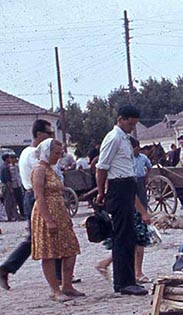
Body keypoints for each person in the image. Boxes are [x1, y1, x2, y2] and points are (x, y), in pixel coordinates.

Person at [95, 105, 149, 296]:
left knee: (128, 235)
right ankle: (124, 282)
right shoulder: (114, 138)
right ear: (121, 119)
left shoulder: (124, 139)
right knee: (122, 236)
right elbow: (101, 168)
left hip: (127, 186)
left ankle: (127, 279)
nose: (132, 127)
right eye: (130, 123)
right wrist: (101, 193)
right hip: (118, 187)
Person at [0, 119, 57, 290]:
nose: (51, 137)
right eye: (49, 133)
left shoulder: (26, 152)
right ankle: (60, 276)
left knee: (37, 237)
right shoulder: (35, 154)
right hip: (37, 196)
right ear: (39, 134)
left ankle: (8, 267)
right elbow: (43, 177)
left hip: (30, 195)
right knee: (46, 235)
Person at [30, 138, 83, 302]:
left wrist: (65, 216)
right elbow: (39, 196)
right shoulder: (39, 170)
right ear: (47, 152)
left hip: (60, 211)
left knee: (71, 248)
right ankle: (55, 290)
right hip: (45, 213)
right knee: (49, 252)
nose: (59, 156)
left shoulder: (52, 169)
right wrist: (48, 220)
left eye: (60, 153)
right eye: (56, 153)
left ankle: (67, 285)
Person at [131, 137, 152, 208]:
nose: (135, 150)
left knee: (142, 197)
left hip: (141, 179)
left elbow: (149, 167)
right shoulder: (128, 158)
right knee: (132, 197)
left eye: (137, 148)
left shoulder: (143, 157)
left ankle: (144, 212)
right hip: (131, 179)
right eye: (134, 149)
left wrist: (147, 176)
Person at [1, 152, 19, 221]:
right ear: (6, 159)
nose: (10, 159)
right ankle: (9, 217)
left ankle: (12, 215)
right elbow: (8, 180)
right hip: (6, 186)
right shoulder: (5, 168)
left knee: (9, 201)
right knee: (8, 201)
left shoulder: (3, 166)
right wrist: (11, 189)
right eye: (9, 158)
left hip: (4, 185)